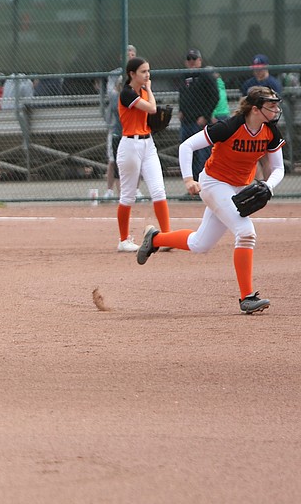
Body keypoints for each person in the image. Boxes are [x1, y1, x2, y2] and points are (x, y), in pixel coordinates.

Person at [136, 86, 285, 315]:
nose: (276, 110)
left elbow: (278, 168)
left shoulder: (270, 130)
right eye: (271, 106)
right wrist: (188, 180)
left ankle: (155, 239)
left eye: (276, 105)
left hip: (239, 188)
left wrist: (268, 185)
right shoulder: (229, 126)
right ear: (255, 109)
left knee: (200, 244)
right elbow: (187, 146)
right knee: (246, 232)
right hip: (214, 183)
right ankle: (247, 297)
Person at [115, 56, 172, 252]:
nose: (147, 75)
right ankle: (123, 240)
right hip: (130, 146)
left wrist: (147, 89)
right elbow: (152, 108)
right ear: (132, 74)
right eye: (143, 72)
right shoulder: (127, 93)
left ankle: (166, 237)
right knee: (128, 196)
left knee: (158, 191)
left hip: (148, 144)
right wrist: (149, 89)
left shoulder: (142, 91)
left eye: (148, 71)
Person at [178, 48, 220, 182]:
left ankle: (203, 184)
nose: (191, 62)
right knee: (187, 154)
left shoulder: (206, 76)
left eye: (194, 59)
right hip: (186, 122)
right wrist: (180, 110)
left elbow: (215, 97)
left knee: (201, 155)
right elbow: (182, 95)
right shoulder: (184, 77)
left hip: (199, 122)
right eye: (189, 59)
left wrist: (205, 116)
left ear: (200, 61)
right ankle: (192, 185)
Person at [103, 45, 136, 199]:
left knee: (135, 161)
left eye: (132, 54)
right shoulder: (114, 75)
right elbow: (113, 97)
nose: (129, 56)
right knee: (113, 160)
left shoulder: (139, 74)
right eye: (126, 54)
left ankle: (135, 190)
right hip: (116, 124)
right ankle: (111, 191)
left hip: (133, 125)